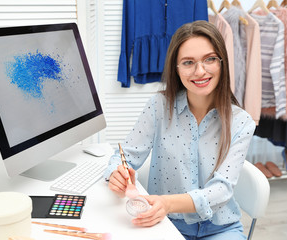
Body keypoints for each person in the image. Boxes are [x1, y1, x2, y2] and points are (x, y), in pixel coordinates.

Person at [103, 20, 256, 240]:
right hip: (163, 223)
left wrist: (167, 203)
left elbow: (221, 190)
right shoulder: (158, 107)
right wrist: (115, 173)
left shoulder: (242, 122)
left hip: (220, 228)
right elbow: (124, 156)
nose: (200, 71)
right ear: (176, 68)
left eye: (210, 59)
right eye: (188, 62)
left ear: (222, 62)